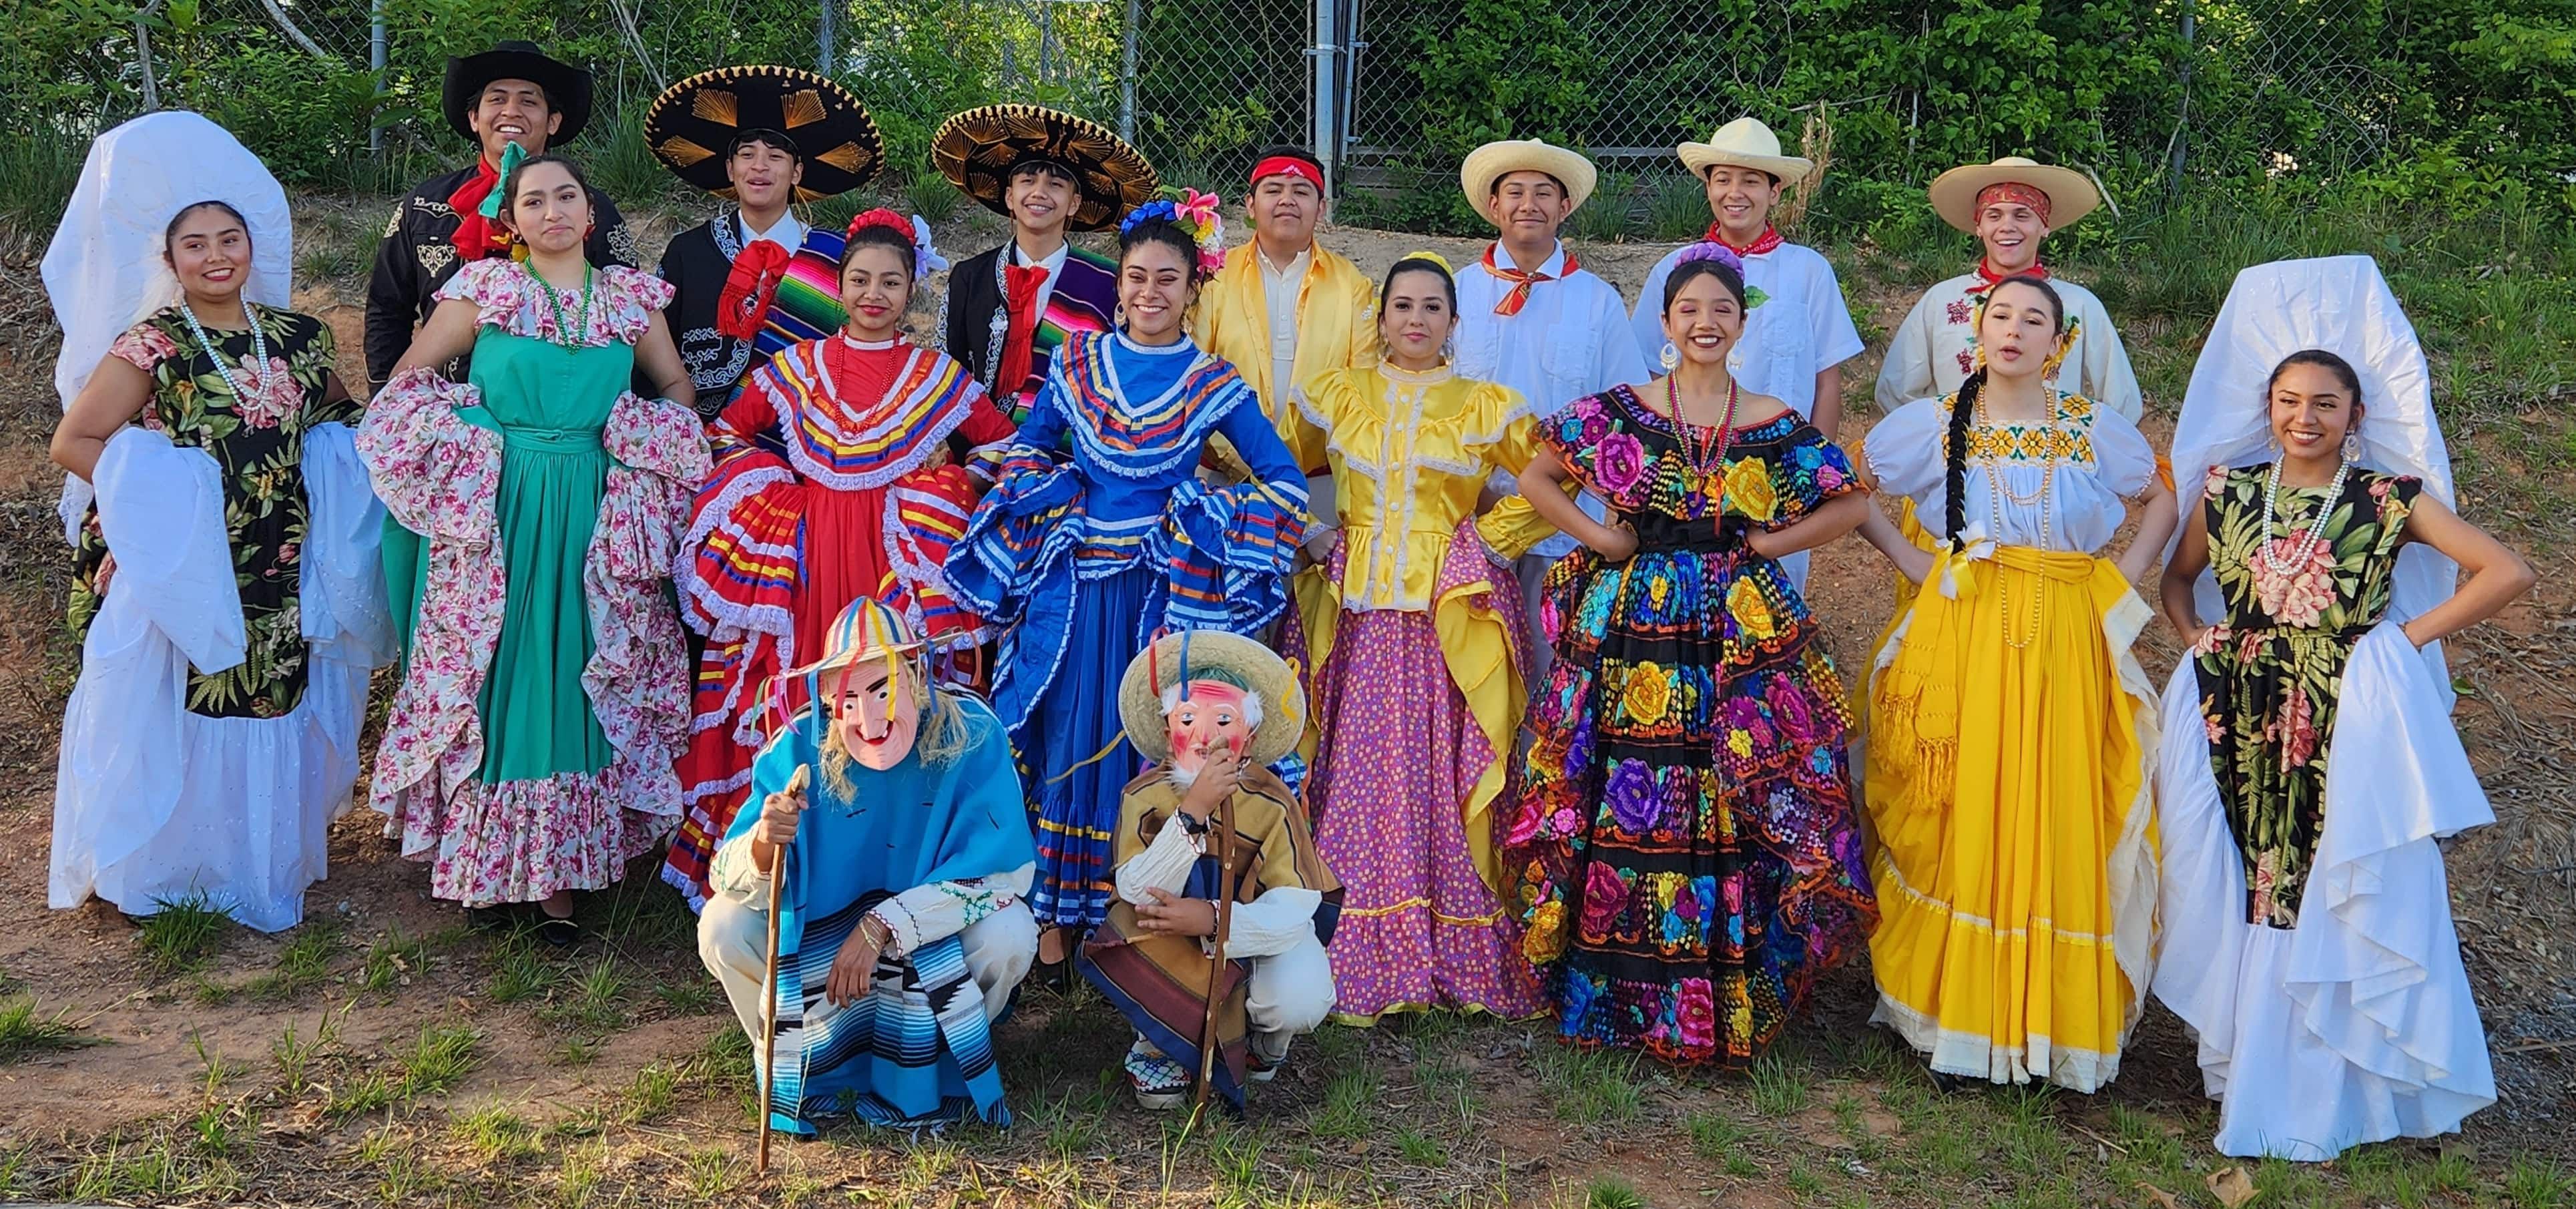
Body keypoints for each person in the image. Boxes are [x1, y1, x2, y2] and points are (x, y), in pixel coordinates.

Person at [2151, 257, 2527, 1159]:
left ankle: (2325, 1081)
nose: (2302, 416)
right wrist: (2190, 633)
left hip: (2338, 710)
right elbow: (2177, 576)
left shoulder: (2385, 498)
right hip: (2233, 708)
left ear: (2353, 414)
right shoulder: (2228, 486)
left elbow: (2506, 570)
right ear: (2266, 405)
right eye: (2287, 399)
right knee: (2241, 873)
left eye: (2323, 402)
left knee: (2321, 878)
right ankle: (2239, 1059)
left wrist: (2400, 640)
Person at [1508, 243, 1876, 1064]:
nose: (1705, 323)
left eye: (1721, 311)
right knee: (1624, 780)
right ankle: (1612, 992)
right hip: (1633, 623)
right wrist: (1603, 536)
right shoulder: (1621, 409)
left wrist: (1773, 539)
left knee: (1727, 776)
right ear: (1666, 323)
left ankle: (1720, 992)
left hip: (1730, 628)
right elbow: (1537, 476)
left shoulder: (1773, 418)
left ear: (1742, 323)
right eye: (1689, 311)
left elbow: (1850, 501)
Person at [45, 112, 389, 933]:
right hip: (189, 563)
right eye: (195, 244)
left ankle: (253, 866)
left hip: (282, 554)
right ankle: (162, 876)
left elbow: (343, 431)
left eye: (228, 238)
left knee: (268, 701)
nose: (215, 255)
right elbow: (77, 440)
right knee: (177, 706)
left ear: (251, 247)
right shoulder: (153, 345)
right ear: (169, 261)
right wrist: (160, 508)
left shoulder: (300, 340)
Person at [947, 194, 1310, 971]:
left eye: (1167, 280)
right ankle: (1051, 914)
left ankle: (1129, 916)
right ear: (1117, 285)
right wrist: (1055, 494)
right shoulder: (1075, 366)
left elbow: (1284, 483)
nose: (1150, 292)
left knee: (1145, 741)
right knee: (1063, 730)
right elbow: (1027, 452)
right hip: (1074, 590)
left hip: (1162, 595)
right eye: (1137, 277)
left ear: (1192, 290)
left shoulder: (1212, 383)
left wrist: (1200, 511)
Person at [360, 154, 707, 941]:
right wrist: (475, 434)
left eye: (568, 197)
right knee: (503, 661)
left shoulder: (630, 299)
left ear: (590, 215)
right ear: (512, 220)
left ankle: (560, 878)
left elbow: (677, 388)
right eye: (533, 200)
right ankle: (490, 868)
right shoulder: (485, 289)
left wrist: (641, 437)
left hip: (594, 505)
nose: (552, 211)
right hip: (504, 506)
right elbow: (409, 380)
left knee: (581, 667)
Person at [1857, 273, 2177, 1091]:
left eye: (2034, 319)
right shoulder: (1932, 426)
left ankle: (2050, 1027)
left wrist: (2127, 576)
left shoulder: (2089, 427)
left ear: (2056, 342)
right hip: (1966, 631)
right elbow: (1852, 493)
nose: (2014, 330)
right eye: (2000, 314)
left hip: (2067, 633)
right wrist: (1922, 568)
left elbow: (2163, 498)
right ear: (1978, 332)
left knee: (2056, 803)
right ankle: (1956, 1020)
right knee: (1968, 804)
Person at [666, 210, 1016, 909]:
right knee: (804, 696)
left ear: (912, 290)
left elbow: (1003, 444)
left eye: (891, 281)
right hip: (808, 559)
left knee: (890, 697)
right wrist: (772, 495)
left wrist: (944, 491)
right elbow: (729, 429)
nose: (874, 294)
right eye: (860, 280)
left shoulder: (935, 376)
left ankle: (888, 864)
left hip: (891, 566)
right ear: (839, 284)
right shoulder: (797, 367)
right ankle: (788, 863)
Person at [1288, 251, 1555, 1023]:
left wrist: (1486, 541)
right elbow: (1261, 460)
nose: (1415, 319)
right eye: (1401, 305)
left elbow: (1559, 477)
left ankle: (1449, 940)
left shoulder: (1484, 405)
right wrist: (1309, 529)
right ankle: (1347, 936)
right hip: (1361, 613)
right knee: (1361, 764)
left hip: (1446, 615)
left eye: (1431, 308)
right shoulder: (1337, 395)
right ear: (1380, 319)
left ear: (1452, 322)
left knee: (1439, 763)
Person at [698, 598, 1039, 1133]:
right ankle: (799, 1064)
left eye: (883, 689)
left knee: (1011, 931)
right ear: (828, 700)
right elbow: (726, 873)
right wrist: (767, 841)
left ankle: (950, 1056)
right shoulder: (797, 748)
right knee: (721, 925)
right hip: (822, 946)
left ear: (918, 675)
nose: (869, 718)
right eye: (848, 699)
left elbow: (1005, 874)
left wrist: (883, 924)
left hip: (932, 942)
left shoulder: (971, 734)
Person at [1083, 631, 1340, 1111]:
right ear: (1166, 732)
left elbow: (1295, 904)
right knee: (1135, 924)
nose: (1205, 735)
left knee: (1299, 993)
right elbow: (1135, 887)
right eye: (1187, 719)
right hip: (1167, 933)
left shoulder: (1273, 803)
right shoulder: (1145, 795)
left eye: (1223, 719)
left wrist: (1216, 920)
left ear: (1251, 736)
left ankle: (1265, 1043)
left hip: (1254, 937)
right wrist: (1192, 812)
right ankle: (1159, 1039)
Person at [1629, 118, 1862, 590]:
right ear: (1708, 188)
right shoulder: (1673, 269)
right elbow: (1649, 370)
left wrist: (1808, 478)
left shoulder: (1807, 271)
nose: (1735, 193)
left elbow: (1826, 380)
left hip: (1773, 471)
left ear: (1775, 192)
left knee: (1769, 601)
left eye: (1751, 180)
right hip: (1685, 475)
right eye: (1722, 179)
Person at [1452, 138, 1651, 664]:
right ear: (1493, 206)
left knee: (1550, 667)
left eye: (1544, 193)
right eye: (1514, 191)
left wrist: (1610, 517)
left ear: (1565, 208)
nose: (1528, 204)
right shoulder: (1455, 293)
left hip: (1563, 522)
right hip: (1468, 519)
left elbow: (1625, 414)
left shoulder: (1597, 301)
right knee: (1471, 665)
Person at [365, 41, 637, 394]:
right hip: (446, 412)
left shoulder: (590, 210)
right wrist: (388, 403)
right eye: (496, 99)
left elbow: (629, 317)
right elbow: (387, 309)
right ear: (475, 118)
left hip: (555, 415)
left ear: (553, 121)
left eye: (529, 100)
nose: (511, 111)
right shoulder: (424, 206)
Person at [646, 65, 885, 412]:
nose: (759, 167)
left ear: (796, 173)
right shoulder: (688, 252)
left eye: (775, 157)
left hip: (806, 435)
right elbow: (654, 353)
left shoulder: (833, 257)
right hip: (700, 434)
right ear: (730, 169)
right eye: (747, 155)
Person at [931, 105, 1157, 417]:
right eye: (1028, 181)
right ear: (1009, 196)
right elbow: (947, 369)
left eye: (1055, 185)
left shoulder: (1106, 283)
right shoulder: (969, 277)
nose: (1039, 193)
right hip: (975, 447)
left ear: (1074, 203)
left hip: (1066, 452)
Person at [1875, 156, 2139, 422]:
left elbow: (2122, 403)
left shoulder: (2079, 305)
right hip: (1956, 457)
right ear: (1979, 227)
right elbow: (1897, 391)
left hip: (2050, 458)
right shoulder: (1942, 300)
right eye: (1994, 215)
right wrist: (1937, 440)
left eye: (2022, 215)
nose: (2007, 227)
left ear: (2045, 226)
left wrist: (2077, 448)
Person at [1191, 146, 1379, 493]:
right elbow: (1194, 374)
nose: (1287, 200)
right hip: (1224, 472)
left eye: (1302, 191)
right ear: (1250, 205)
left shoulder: (1351, 285)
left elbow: (1363, 387)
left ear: (1321, 209)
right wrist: (1239, 461)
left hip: (1319, 477)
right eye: (1274, 190)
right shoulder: (1215, 277)